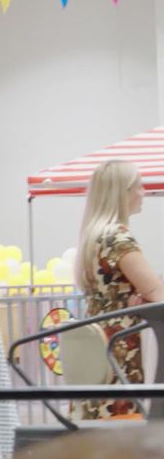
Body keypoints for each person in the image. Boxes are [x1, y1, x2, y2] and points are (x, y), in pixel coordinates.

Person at [74, 160, 164, 420]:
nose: (143, 192)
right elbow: (156, 293)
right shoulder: (118, 238)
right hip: (120, 347)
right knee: (120, 425)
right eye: (138, 186)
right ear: (121, 193)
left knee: (96, 419)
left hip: (96, 342)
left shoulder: (93, 235)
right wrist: (147, 293)